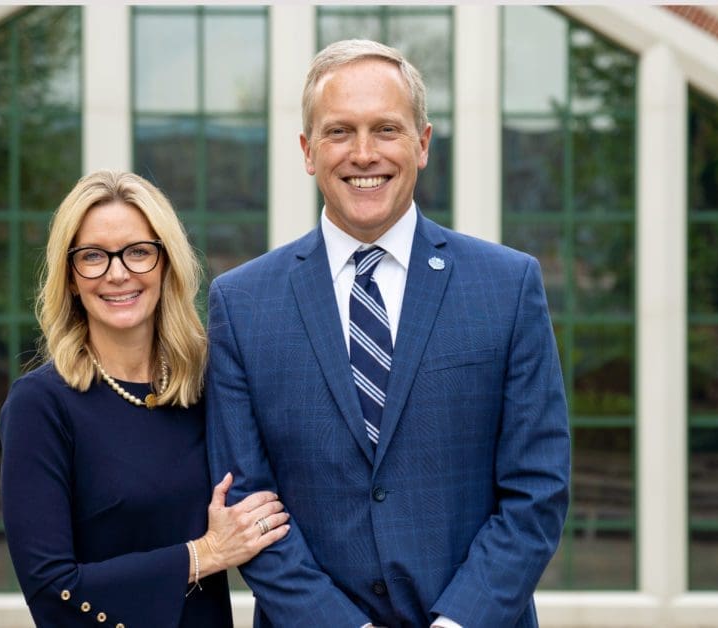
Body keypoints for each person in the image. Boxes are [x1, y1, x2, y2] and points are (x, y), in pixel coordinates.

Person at [205, 40, 570, 627]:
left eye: (386, 130)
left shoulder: (507, 286)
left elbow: (537, 489)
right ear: (307, 150)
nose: (364, 154)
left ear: (422, 144)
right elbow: (250, 506)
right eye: (340, 132)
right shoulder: (241, 304)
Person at [0, 170, 290, 628]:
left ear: (166, 263)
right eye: (93, 256)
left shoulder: (210, 385)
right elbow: (50, 589)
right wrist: (204, 554)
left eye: (138, 252)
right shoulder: (40, 406)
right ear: (71, 277)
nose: (118, 274)